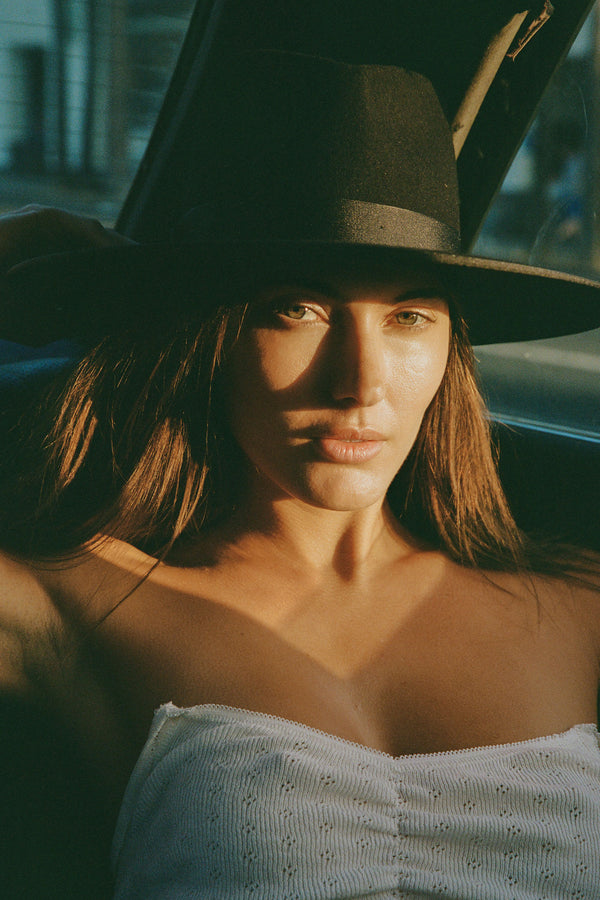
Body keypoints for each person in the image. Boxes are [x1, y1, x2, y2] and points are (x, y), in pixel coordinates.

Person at [1, 51, 600, 899]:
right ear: (211, 338)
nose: (360, 382)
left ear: (446, 353)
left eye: (407, 316)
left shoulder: (579, 610)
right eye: (299, 308)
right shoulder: (81, 602)